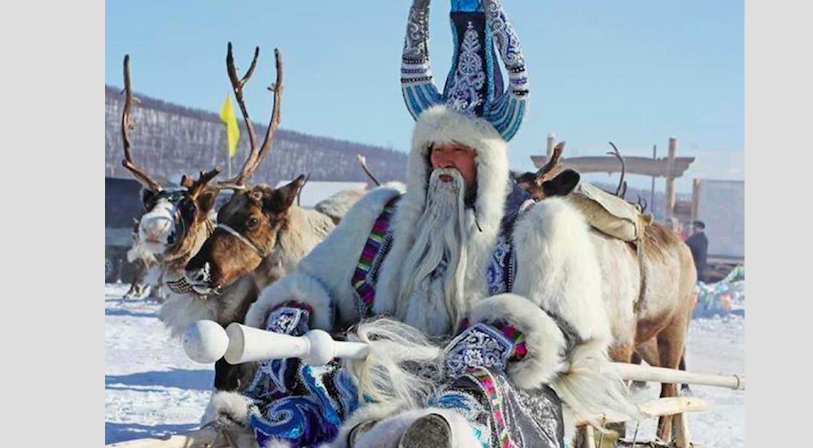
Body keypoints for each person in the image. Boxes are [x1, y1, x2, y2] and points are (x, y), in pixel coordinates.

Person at [201, 1, 633, 447]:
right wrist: (294, 314)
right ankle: (293, 429)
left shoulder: (541, 229)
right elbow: (315, 283)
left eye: (459, 150)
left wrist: (498, 339)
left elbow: (570, 335)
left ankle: (437, 434)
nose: (444, 161)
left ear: (486, 161)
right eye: (435, 150)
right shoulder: (382, 218)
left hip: (489, 386)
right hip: (381, 371)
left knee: (475, 398)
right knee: (319, 376)